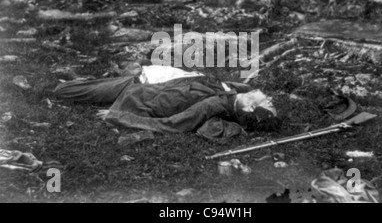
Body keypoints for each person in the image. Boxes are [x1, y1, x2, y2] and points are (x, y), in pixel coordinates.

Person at [54, 65, 279, 140]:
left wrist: (119, 116)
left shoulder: (214, 106)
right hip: (151, 80)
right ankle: (73, 81)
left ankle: (43, 87)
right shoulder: (233, 93)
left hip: (136, 91)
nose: (269, 99)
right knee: (80, 87)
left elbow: (171, 124)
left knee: (65, 90)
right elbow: (244, 90)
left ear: (249, 107)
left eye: (268, 103)